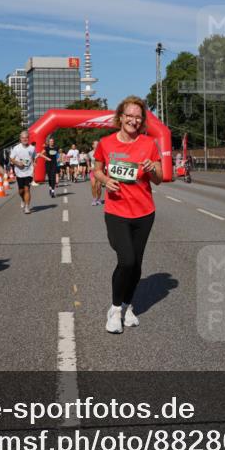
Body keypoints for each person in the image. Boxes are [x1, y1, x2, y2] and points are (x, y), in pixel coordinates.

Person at [93, 96, 162, 333]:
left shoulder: (149, 144)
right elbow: (97, 170)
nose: (133, 120)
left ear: (142, 120)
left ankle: (127, 306)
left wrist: (153, 169)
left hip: (144, 212)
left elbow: (159, 179)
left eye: (138, 116)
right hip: (116, 211)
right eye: (129, 115)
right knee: (127, 260)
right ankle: (114, 310)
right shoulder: (106, 143)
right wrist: (105, 181)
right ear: (120, 117)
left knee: (137, 265)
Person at [9, 131, 38, 214]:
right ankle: (22, 199)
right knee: (21, 191)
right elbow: (11, 158)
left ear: (28, 138)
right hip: (19, 172)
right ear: (20, 139)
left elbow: (34, 157)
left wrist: (35, 162)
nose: (25, 139)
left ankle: (27, 207)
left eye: (26, 138)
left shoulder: (32, 148)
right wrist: (17, 163)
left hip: (29, 172)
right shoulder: (16, 148)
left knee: (27, 189)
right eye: (23, 138)